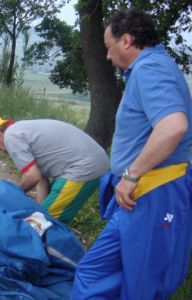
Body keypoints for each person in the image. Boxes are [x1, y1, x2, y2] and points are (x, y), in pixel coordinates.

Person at [72, 9, 192, 299]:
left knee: (138, 283)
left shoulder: (151, 68)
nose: (107, 56)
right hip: (142, 193)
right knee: (103, 273)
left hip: (154, 190)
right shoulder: (147, 69)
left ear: (126, 40)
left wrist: (131, 174)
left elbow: (173, 126)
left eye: (108, 47)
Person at [0, 118, 109, 224]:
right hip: (91, 162)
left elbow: (32, 176)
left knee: (42, 222)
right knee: (41, 215)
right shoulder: (22, 130)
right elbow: (40, 179)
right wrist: (37, 208)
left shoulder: (11, 137)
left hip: (83, 168)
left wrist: (12, 195)